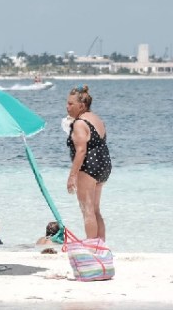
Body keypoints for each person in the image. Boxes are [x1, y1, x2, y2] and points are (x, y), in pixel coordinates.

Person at [66, 84, 111, 241]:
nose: (67, 107)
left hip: (89, 166)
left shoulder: (79, 123)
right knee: (95, 209)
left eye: (71, 104)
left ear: (82, 105)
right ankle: (101, 246)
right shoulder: (97, 119)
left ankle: (91, 246)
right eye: (67, 103)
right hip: (103, 165)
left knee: (87, 209)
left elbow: (81, 151)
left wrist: (72, 176)